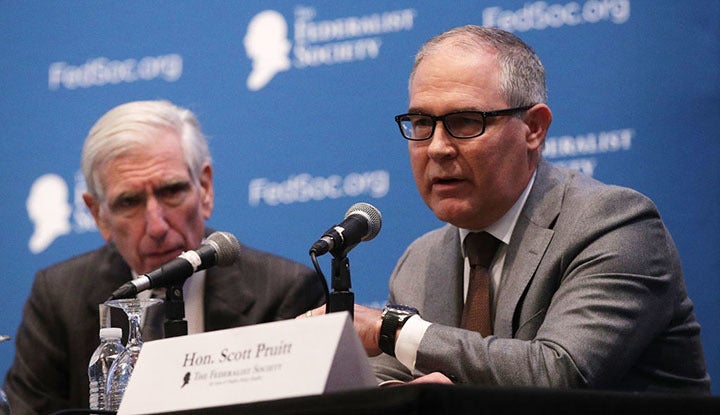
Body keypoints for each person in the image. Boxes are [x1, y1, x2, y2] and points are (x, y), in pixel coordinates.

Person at [304, 25, 711, 393]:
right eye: (421, 122)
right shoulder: (420, 261)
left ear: (533, 128)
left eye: (465, 121)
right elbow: (388, 382)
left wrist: (390, 328)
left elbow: (560, 373)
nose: (438, 147)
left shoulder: (613, 224)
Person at [4, 100, 325, 414]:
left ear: (205, 188)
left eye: (171, 191)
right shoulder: (59, 296)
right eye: (129, 202)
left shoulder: (284, 291)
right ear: (98, 214)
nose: (156, 226)